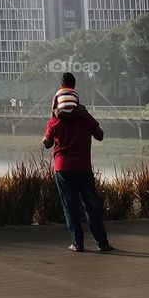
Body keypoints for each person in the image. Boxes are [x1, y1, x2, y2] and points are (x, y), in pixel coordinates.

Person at [42, 100, 113, 253]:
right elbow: (100, 135)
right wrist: (85, 115)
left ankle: (77, 243)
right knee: (91, 206)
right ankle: (102, 243)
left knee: (70, 207)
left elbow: (46, 143)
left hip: (63, 169)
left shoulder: (55, 121)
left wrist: (52, 114)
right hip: (83, 168)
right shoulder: (85, 118)